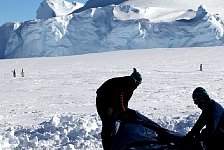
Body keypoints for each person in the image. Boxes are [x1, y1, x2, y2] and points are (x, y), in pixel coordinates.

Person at [96, 68, 142, 150]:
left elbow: (125, 100)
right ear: (134, 80)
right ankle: (107, 146)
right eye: (138, 83)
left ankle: (115, 141)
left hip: (111, 101)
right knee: (107, 123)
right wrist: (118, 110)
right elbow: (118, 97)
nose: (137, 86)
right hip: (103, 101)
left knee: (117, 118)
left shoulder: (131, 87)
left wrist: (124, 111)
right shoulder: (123, 83)